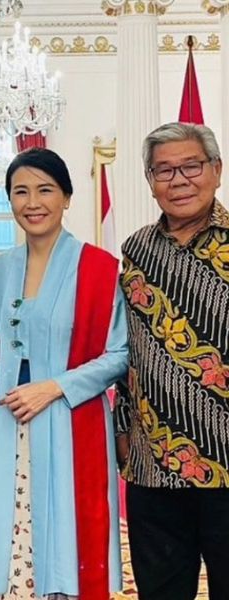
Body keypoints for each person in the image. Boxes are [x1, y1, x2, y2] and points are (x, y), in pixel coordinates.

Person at [0, 148, 127, 600]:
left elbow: (120, 354)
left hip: (69, 419)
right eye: (20, 191)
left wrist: (55, 387)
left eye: (45, 189)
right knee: (9, 531)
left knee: (66, 534)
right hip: (6, 423)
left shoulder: (100, 269)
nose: (32, 201)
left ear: (67, 197)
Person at [115, 122, 229, 599]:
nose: (178, 180)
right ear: (150, 180)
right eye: (164, 170)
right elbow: (124, 348)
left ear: (216, 171)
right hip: (153, 465)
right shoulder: (136, 250)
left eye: (190, 166)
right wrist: (123, 431)